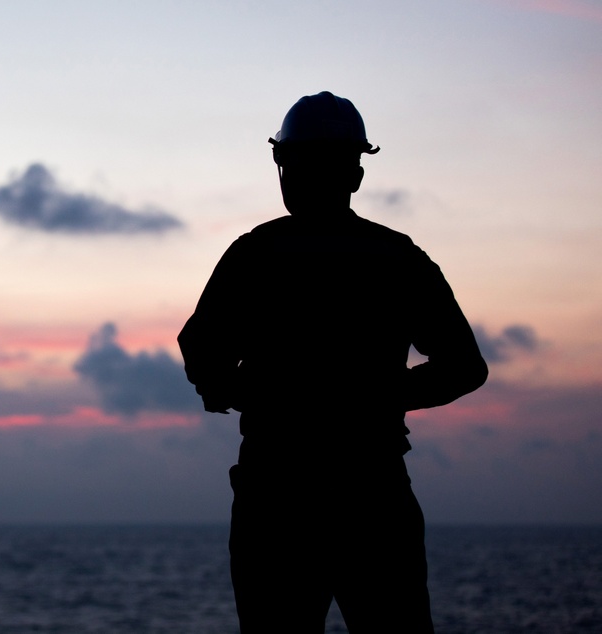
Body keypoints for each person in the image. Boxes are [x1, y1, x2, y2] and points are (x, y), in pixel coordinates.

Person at [177, 91, 488, 633]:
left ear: (284, 163)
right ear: (357, 174)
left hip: (277, 503)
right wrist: (383, 396)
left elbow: (202, 352)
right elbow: (465, 366)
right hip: (373, 498)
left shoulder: (255, 255)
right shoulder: (397, 258)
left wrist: (242, 390)